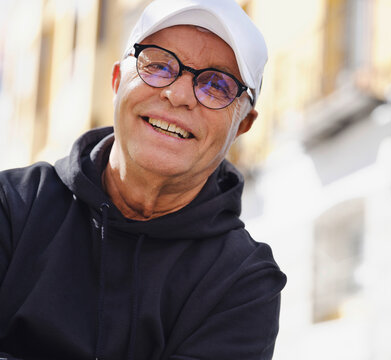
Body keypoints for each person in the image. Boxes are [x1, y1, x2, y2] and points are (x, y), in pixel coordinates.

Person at [0, 0, 286, 359]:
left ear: (241, 125)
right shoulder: (12, 206)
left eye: (217, 85)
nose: (179, 95)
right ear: (118, 79)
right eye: (160, 64)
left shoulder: (244, 282)